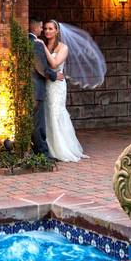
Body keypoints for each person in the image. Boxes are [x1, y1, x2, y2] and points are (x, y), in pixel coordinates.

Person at [41, 20, 88, 162]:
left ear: (57, 31)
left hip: (57, 86)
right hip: (46, 84)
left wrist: (42, 46)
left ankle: (61, 148)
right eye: (45, 29)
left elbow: (54, 63)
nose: (47, 31)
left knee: (56, 113)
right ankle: (48, 147)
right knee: (46, 114)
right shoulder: (42, 44)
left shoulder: (63, 47)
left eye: (50, 29)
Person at [28, 16, 63, 160]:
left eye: (48, 28)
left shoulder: (27, 41)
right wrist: (55, 76)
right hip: (37, 89)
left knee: (35, 122)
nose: (43, 30)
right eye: (42, 27)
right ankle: (42, 154)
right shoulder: (36, 43)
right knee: (38, 124)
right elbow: (41, 68)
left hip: (30, 89)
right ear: (34, 27)